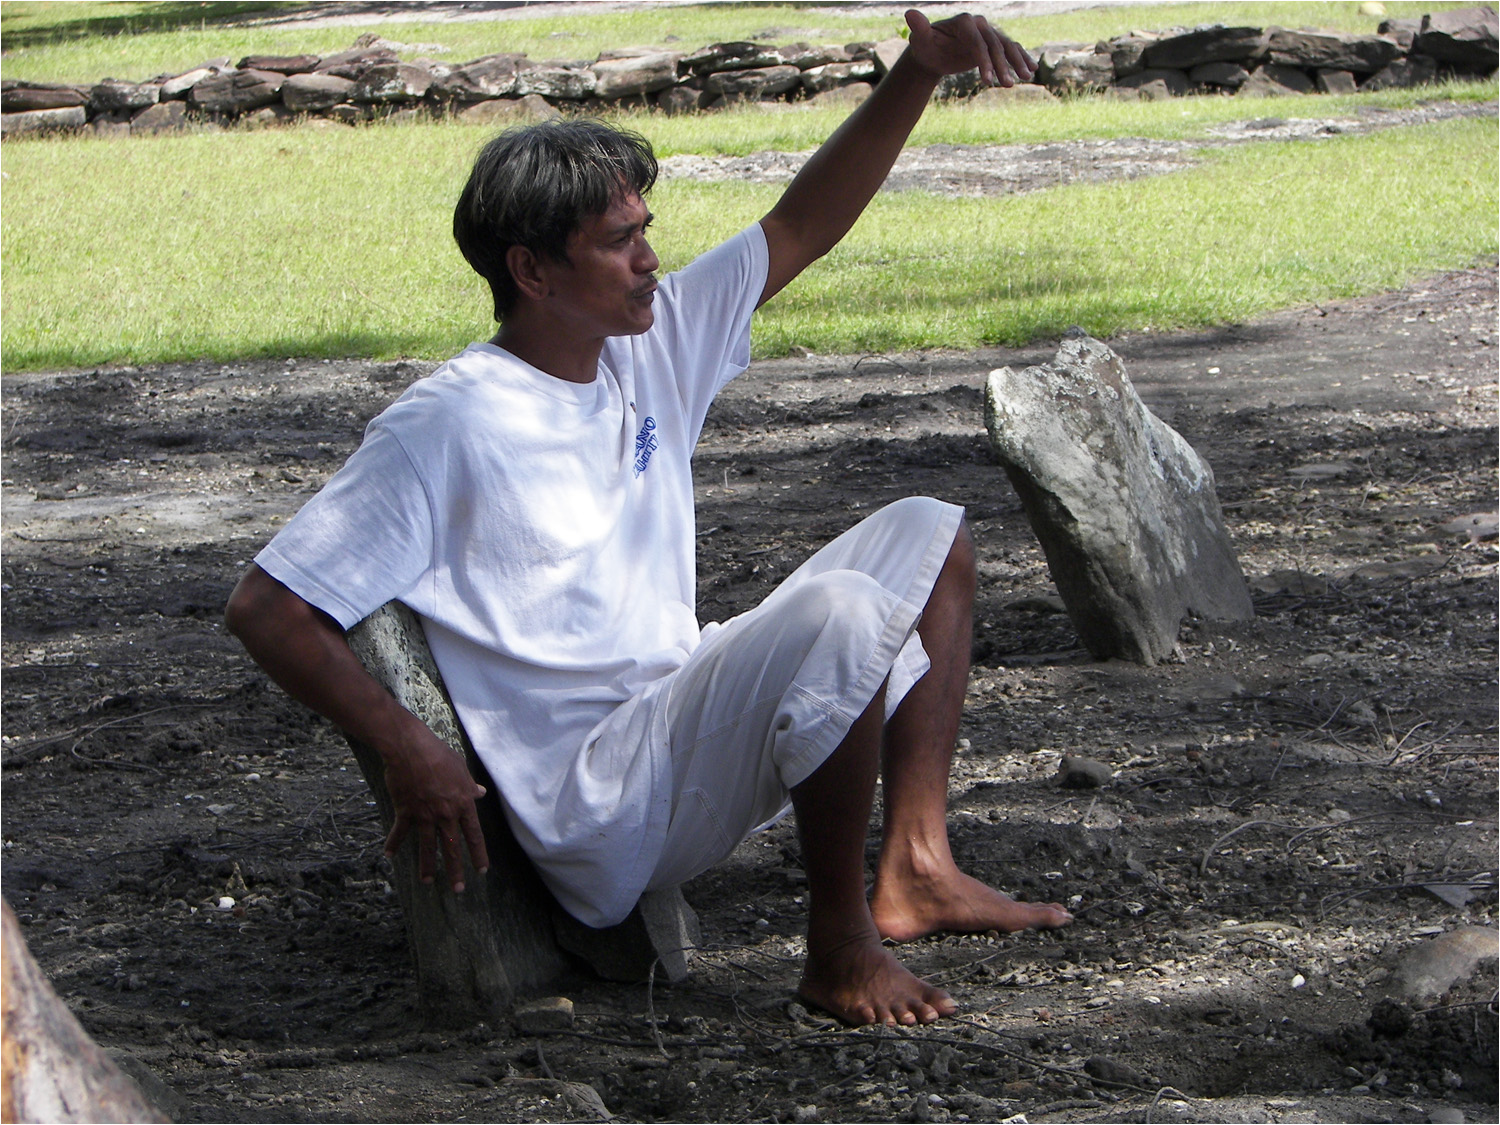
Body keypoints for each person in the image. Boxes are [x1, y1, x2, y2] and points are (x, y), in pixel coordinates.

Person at [226, 9, 1070, 1028]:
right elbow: (267, 606)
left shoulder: (642, 342)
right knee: (846, 612)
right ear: (532, 272)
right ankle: (838, 948)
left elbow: (800, 226)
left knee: (930, 538)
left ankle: (917, 867)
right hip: (601, 803)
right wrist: (408, 749)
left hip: (681, 720)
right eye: (619, 242)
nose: (648, 262)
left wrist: (919, 73)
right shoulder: (446, 423)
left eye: (646, 233)